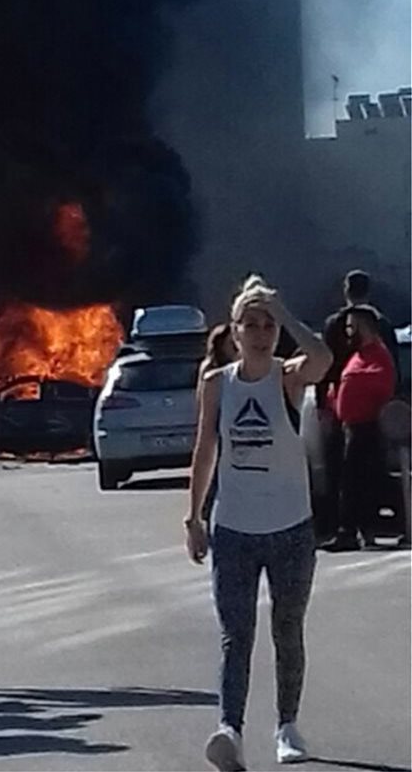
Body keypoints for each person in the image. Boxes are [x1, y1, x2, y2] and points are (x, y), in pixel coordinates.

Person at [184, 275, 332, 771]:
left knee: (287, 630)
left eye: (268, 325)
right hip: (234, 530)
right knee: (236, 635)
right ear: (235, 331)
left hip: (291, 527)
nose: (262, 333)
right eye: (252, 324)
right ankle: (230, 730)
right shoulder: (217, 384)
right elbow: (205, 450)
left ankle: (287, 727)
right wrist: (194, 516)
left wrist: (284, 311)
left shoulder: (289, 377)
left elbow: (323, 358)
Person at [317, 270, 399, 537]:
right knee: (356, 470)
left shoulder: (339, 324)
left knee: (349, 470)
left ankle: (351, 525)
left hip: (356, 412)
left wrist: (321, 404)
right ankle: (353, 524)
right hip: (355, 409)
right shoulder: (382, 324)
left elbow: (325, 367)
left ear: (346, 290)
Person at [198, 324, 239, 526]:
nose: (234, 348)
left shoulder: (241, 366)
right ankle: (204, 512)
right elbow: (202, 400)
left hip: (236, 427)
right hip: (219, 426)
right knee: (214, 472)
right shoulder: (211, 369)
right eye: (230, 344)